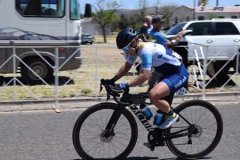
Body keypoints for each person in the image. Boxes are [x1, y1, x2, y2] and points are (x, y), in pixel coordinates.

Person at [105, 28, 189, 129]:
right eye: (123, 50)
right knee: (148, 100)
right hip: (166, 74)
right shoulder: (136, 49)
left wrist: (125, 84)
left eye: (125, 49)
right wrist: (112, 80)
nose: (125, 52)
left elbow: (145, 76)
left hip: (178, 73)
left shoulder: (145, 50)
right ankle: (158, 135)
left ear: (133, 42)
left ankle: (172, 116)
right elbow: (127, 66)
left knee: (153, 95)